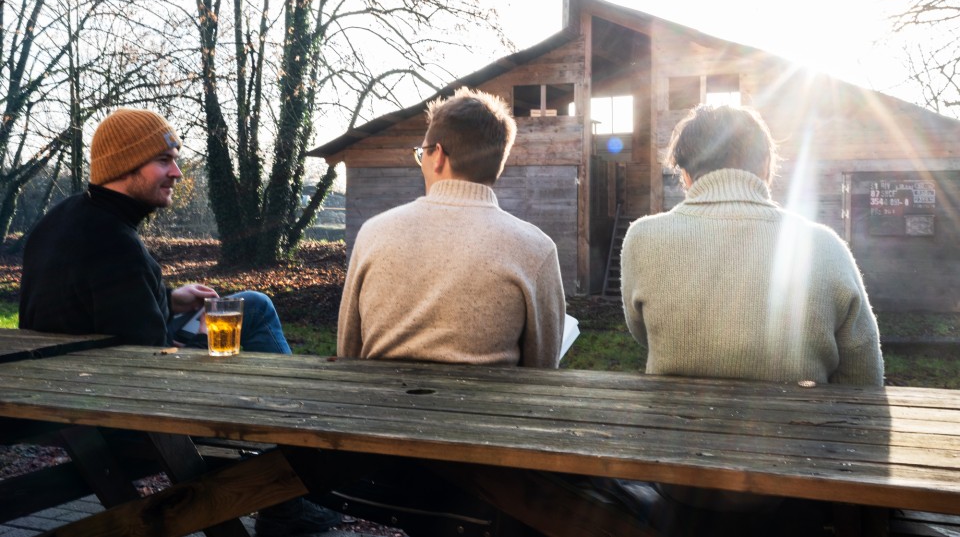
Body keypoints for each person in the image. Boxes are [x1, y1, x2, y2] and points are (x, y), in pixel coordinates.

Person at [18, 107, 340, 536]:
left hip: (70, 382)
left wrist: (172, 298)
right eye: (164, 161)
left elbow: (92, 308)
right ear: (124, 164)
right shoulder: (115, 244)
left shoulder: (66, 218)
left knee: (252, 304)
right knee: (253, 318)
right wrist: (207, 340)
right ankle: (294, 481)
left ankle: (291, 488)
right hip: (113, 407)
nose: (177, 173)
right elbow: (151, 365)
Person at [617, 104, 884, 535]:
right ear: (765, 168)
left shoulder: (642, 238)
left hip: (681, 486)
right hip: (798, 491)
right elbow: (864, 380)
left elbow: (641, 332)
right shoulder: (824, 245)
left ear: (684, 174)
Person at [337, 87, 565, 368]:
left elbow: (347, 354)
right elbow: (541, 369)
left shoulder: (372, 234)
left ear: (439, 156)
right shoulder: (537, 249)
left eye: (422, 153)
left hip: (383, 409)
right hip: (486, 412)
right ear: (498, 163)